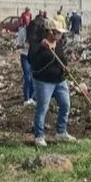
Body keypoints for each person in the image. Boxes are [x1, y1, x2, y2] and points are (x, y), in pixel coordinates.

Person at [30, 17, 75, 146]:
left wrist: (66, 67)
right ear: (50, 31)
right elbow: (32, 60)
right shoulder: (37, 43)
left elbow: (62, 57)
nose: (60, 35)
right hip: (44, 81)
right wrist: (42, 49)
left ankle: (61, 132)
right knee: (43, 108)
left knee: (65, 104)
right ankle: (39, 136)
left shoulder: (58, 44)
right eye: (58, 32)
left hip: (60, 80)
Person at [16, 21, 35, 107]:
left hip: (34, 56)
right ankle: (26, 99)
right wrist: (24, 45)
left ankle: (32, 98)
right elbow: (17, 44)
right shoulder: (23, 31)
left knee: (33, 78)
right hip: (25, 56)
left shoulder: (36, 31)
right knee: (27, 77)